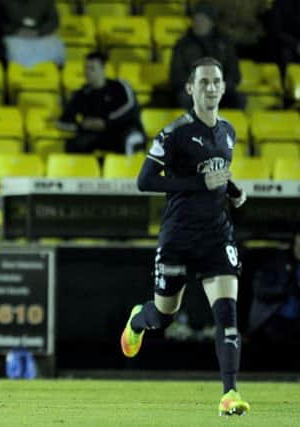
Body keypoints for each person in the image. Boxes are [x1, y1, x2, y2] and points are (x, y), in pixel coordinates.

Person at [119, 57, 251, 416]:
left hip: (216, 236)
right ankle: (137, 321)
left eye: (216, 81)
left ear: (224, 87)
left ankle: (230, 393)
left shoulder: (228, 131)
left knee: (227, 316)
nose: (211, 87)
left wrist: (234, 191)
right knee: (164, 315)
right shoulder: (174, 132)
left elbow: (218, 171)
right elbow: (145, 181)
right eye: (204, 82)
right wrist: (197, 184)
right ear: (191, 88)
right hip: (178, 237)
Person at [56, 51, 144, 155]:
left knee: (129, 140)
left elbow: (130, 108)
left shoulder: (119, 86)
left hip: (123, 131)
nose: (87, 72)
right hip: (100, 135)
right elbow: (63, 121)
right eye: (86, 68)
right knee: (74, 144)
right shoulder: (81, 94)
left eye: (92, 68)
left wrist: (105, 123)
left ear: (103, 69)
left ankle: (129, 169)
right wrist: (82, 125)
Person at [169, 2, 245, 110]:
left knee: (239, 99)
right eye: (196, 19)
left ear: (211, 22)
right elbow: (176, 76)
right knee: (184, 98)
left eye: (203, 19)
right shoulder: (183, 44)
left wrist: (220, 85)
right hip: (193, 92)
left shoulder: (224, 43)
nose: (198, 23)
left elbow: (234, 73)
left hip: (219, 90)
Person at [248, 231, 300, 344]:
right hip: (273, 322)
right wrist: (284, 290)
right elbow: (260, 289)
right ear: (296, 240)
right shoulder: (277, 261)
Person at [0, 0, 65, 67]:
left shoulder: (46, 1)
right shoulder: (4, 2)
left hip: (41, 36)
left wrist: (39, 32)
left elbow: (53, 21)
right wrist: (15, 31)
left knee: (55, 45)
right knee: (10, 48)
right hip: (14, 37)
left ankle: (49, 73)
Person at [267, 0, 300, 77]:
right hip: (285, 44)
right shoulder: (280, 3)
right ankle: (285, 84)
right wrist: (296, 45)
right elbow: (276, 31)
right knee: (286, 53)